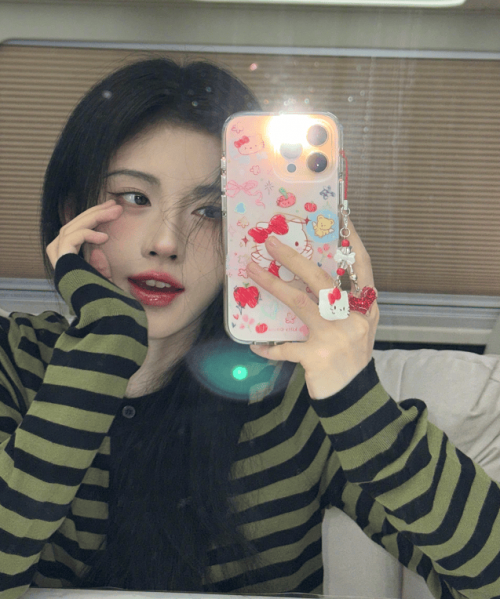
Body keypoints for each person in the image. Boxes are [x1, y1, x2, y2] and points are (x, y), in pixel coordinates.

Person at [0, 57, 498, 599]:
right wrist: (102, 348)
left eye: (212, 211)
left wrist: (355, 399)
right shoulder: (14, 362)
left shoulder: (297, 401)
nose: (166, 243)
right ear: (72, 212)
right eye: (135, 198)